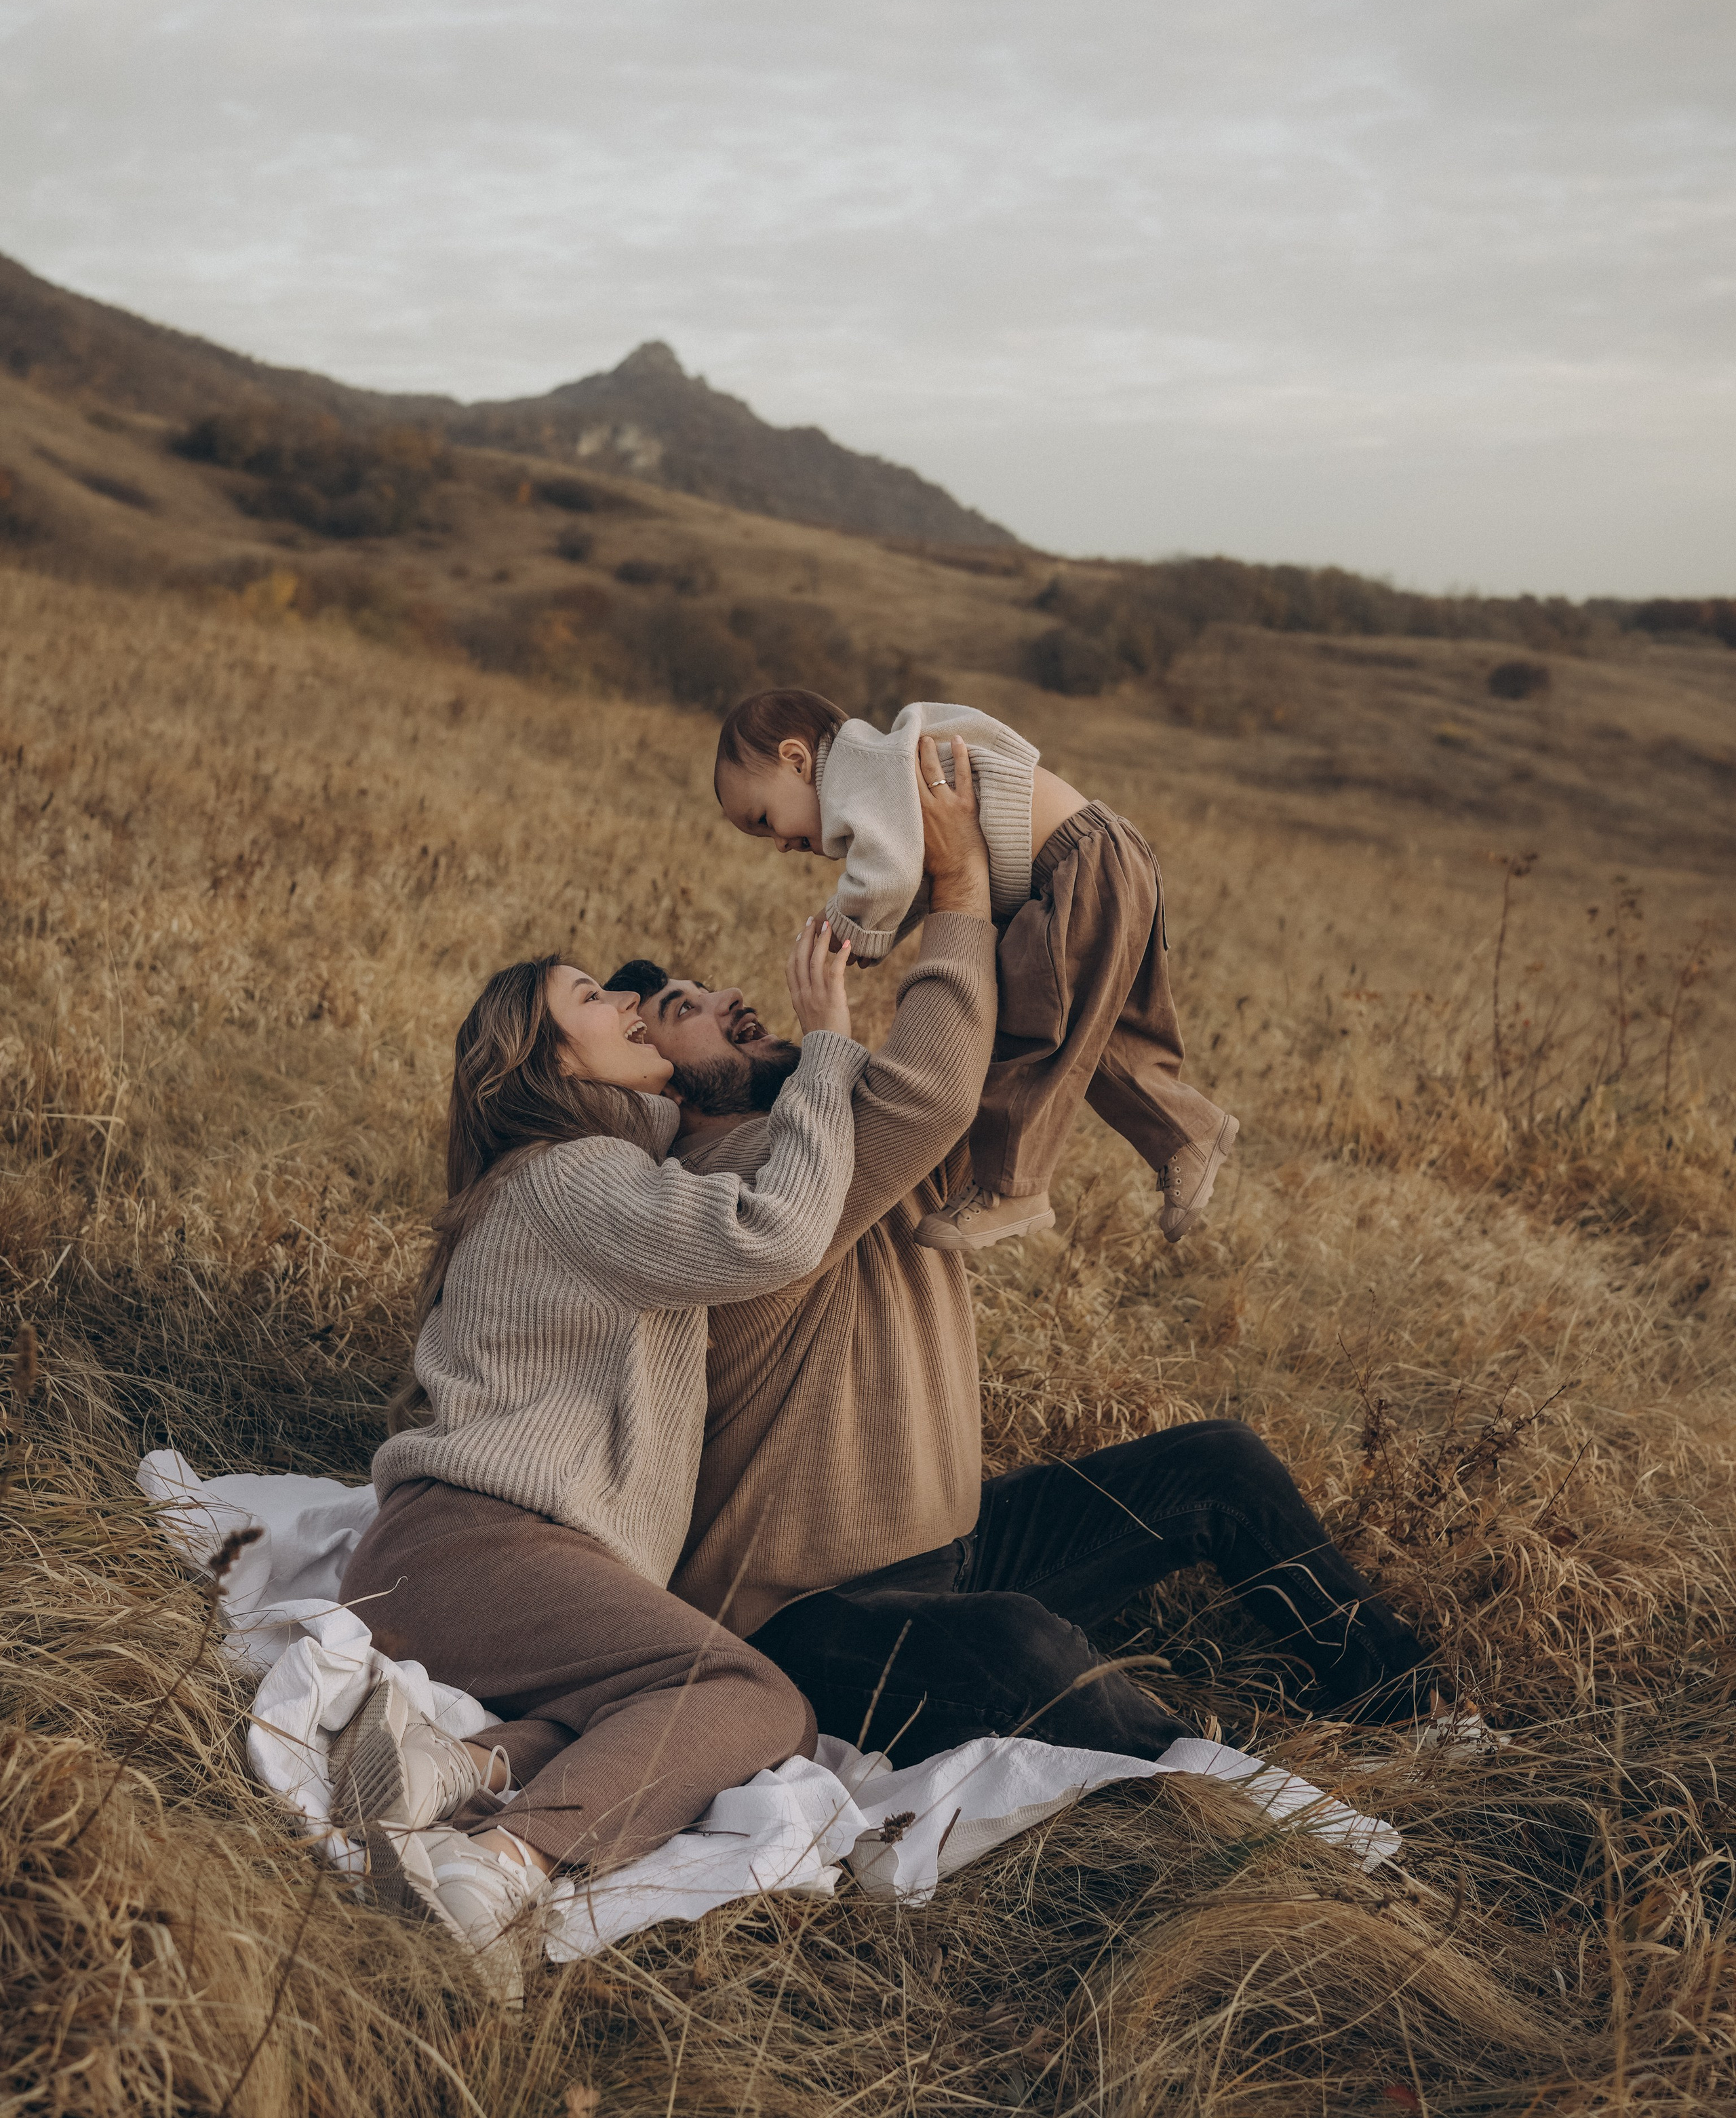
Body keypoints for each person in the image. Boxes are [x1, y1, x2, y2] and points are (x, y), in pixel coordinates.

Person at [608, 736, 1448, 1779]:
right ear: (654, 1082)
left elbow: (980, 1051)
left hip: (951, 1549)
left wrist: (1049, 874)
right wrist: (955, 879)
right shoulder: (727, 1181)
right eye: (682, 1011)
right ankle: (1229, 1807)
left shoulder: (824, 1117)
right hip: (803, 1622)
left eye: (706, 986)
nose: (727, 996)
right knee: (1017, 1643)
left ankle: (1420, 1714)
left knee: (1218, 1465)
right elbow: (934, 1094)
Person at [330, 918, 867, 1999]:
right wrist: (828, 1047)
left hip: (461, 1563)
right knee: (751, 1697)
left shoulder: (574, 1175)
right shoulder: (578, 1172)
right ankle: (497, 1865)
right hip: (477, 1546)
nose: (630, 1005)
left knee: (681, 1701)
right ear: (548, 1060)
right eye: (594, 1000)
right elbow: (776, 1231)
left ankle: (456, 1766)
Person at [711, 688, 1238, 1253]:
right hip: (1100, 859)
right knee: (1100, 1034)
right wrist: (879, 938)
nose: (781, 845)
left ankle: (1013, 1186)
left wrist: (843, 926)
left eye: (765, 819)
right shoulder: (881, 774)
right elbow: (920, 869)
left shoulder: (856, 770)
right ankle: (1187, 1134)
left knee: (1025, 1025)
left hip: (1074, 869)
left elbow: (888, 875)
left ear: (797, 759)